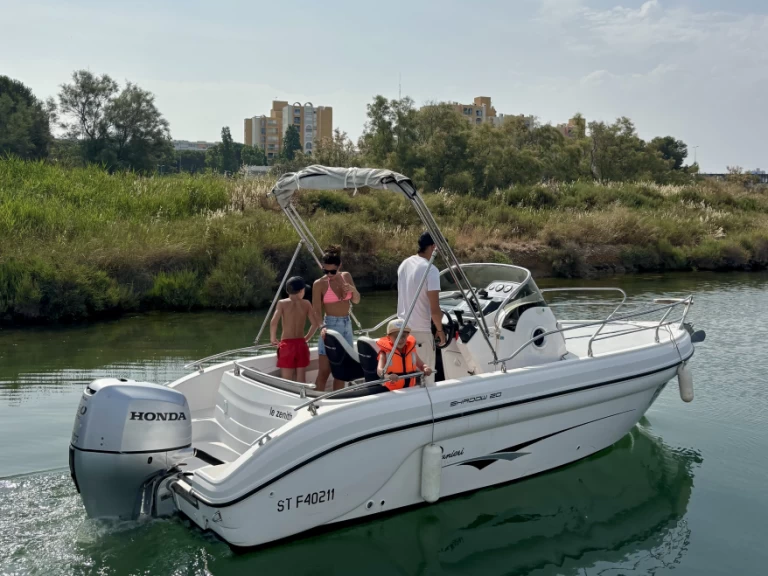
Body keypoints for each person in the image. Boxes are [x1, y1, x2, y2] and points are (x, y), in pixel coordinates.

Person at [397, 232, 446, 386]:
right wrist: (440, 331)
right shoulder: (431, 270)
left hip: (402, 329)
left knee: (409, 376)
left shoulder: (405, 264)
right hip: (421, 333)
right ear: (433, 247)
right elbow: (435, 310)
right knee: (426, 379)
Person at [312, 245, 361, 391]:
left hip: (347, 325)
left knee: (341, 371)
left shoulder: (346, 276)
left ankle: (336, 400)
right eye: (325, 271)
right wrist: (322, 326)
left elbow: (356, 300)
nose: (329, 274)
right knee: (324, 371)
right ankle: (316, 404)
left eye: (332, 271)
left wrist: (353, 290)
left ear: (339, 266)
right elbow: (316, 309)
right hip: (330, 326)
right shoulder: (319, 284)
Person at [270, 276, 320, 383]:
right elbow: (315, 324)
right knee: (301, 378)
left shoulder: (282, 303)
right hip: (301, 344)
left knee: (286, 380)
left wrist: (273, 338)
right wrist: (306, 338)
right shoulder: (306, 303)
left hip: (287, 345)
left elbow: (274, 322)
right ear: (301, 290)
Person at [376, 320, 433, 390]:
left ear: (407, 336)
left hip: (410, 388)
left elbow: (421, 364)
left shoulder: (411, 350)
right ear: (389, 337)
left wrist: (426, 368)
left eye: (403, 336)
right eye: (396, 337)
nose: (400, 339)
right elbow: (379, 370)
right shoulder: (384, 353)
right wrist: (387, 377)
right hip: (391, 391)